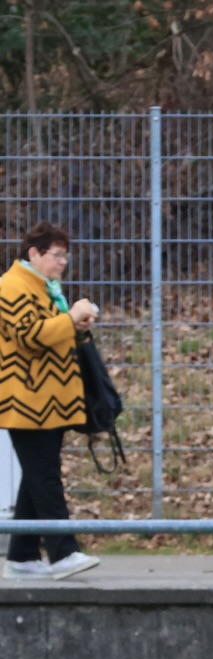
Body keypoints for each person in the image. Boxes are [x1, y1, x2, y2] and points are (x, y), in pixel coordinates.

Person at [0, 222, 102, 581]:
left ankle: (22, 555)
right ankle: (63, 552)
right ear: (34, 254)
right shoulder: (11, 287)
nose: (63, 262)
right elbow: (28, 336)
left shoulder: (43, 288)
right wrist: (69, 318)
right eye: (57, 255)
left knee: (36, 476)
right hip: (26, 403)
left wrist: (76, 326)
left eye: (65, 256)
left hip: (49, 402)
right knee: (45, 476)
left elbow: (52, 334)